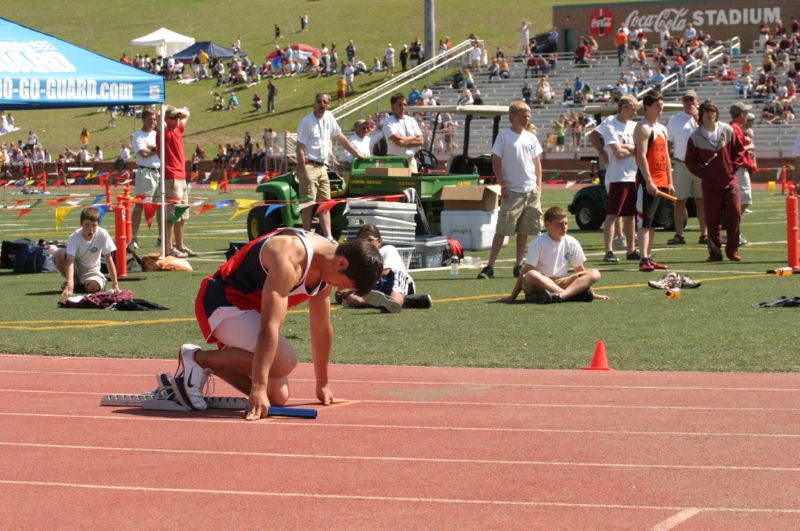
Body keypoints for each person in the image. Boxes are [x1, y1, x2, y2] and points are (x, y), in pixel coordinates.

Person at [169, 229, 383, 418]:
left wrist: (323, 384)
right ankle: (196, 358)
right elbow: (269, 326)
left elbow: (321, 329)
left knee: (277, 397)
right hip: (221, 302)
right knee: (284, 362)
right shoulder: (289, 257)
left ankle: (209, 363)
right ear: (342, 263)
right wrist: (257, 387)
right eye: (343, 283)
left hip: (251, 311)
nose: (338, 288)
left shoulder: (327, 269)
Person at [477, 100, 543, 280]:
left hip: (530, 191)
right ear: (513, 116)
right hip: (512, 191)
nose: (526, 119)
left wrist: (539, 187)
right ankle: (489, 266)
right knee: (503, 229)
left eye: (528, 116)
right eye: (523, 115)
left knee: (524, 230)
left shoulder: (531, 137)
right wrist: (503, 184)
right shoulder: (504, 136)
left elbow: (537, 164)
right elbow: (496, 161)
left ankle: (518, 264)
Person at [495, 207, 608, 304]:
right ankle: (567, 295)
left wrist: (592, 293)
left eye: (566, 223)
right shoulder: (538, 243)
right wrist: (512, 296)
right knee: (532, 274)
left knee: (594, 273)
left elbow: (580, 270)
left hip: (561, 281)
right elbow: (526, 271)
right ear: (547, 225)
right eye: (560, 224)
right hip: (540, 283)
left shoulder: (572, 242)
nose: (564, 227)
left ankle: (560, 296)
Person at [296, 93, 363, 240]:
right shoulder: (306, 121)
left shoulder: (330, 117)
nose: (322, 104)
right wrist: (302, 170)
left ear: (329, 104)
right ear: (315, 103)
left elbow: (340, 137)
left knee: (325, 203)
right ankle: (307, 236)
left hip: (323, 167)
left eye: (325, 102)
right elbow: (299, 147)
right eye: (319, 101)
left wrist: (356, 153)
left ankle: (329, 236)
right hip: (309, 165)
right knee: (308, 203)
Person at [685, 100, 745, 262]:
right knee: (712, 219)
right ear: (701, 115)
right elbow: (690, 161)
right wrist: (704, 173)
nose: (711, 114)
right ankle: (715, 252)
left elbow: (739, 151)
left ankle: (733, 250)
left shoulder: (727, 130)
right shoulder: (695, 137)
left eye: (714, 111)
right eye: (708, 111)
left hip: (730, 181)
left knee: (735, 214)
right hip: (710, 185)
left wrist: (732, 167)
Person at [335, 224, 432, 312]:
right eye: (362, 241)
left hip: (393, 278)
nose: (366, 244)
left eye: (370, 240)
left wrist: (358, 285)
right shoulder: (359, 260)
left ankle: (395, 302)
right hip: (374, 286)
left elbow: (386, 272)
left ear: (379, 242)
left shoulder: (387, 249)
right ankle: (391, 303)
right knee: (351, 299)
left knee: (395, 293)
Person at [596, 95, 640, 263]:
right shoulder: (611, 124)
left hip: (633, 174)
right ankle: (608, 251)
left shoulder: (635, 126)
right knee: (613, 214)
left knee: (630, 215)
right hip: (618, 176)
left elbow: (641, 149)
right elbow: (618, 153)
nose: (635, 111)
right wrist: (632, 149)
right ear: (624, 107)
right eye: (633, 108)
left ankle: (631, 249)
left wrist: (628, 148)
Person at [633, 92, 673, 272]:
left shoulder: (663, 129)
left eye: (662, 104)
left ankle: (649, 256)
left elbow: (667, 156)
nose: (661, 107)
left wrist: (670, 180)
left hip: (662, 180)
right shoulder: (642, 127)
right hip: (648, 181)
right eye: (657, 104)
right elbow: (641, 156)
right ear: (647, 106)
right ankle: (643, 258)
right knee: (644, 221)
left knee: (654, 222)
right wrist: (648, 181)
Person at [666, 89, 707, 245]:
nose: (689, 103)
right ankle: (679, 234)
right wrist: (668, 162)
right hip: (681, 164)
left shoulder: (703, 119)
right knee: (680, 201)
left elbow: (709, 136)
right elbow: (668, 143)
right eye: (686, 100)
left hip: (699, 165)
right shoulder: (675, 119)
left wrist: (697, 116)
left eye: (692, 99)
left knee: (701, 200)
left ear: (697, 101)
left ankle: (704, 234)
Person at [54, 207, 119, 297]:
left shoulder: (103, 234)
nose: (91, 229)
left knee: (93, 287)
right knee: (59, 254)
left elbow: (109, 259)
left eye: (94, 225)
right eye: (87, 225)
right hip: (77, 268)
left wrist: (115, 283)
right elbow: (70, 261)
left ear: (98, 225)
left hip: (92, 270)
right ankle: (74, 282)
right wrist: (70, 282)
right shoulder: (74, 237)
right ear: (81, 224)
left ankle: (85, 284)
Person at [160, 105, 196, 258]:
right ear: (166, 119)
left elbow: (188, 113)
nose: (177, 119)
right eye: (173, 117)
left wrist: (178, 112)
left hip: (181, 176)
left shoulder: (177, 129)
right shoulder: (164, 132)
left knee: (182, 215)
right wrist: (164, 108)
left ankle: (180, 245)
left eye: (177, 117)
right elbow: (160, 119)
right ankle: (168, 248)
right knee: (171, 215)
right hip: (172, 176)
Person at [130, 108, 161, 248]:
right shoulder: (138, 135)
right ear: (143, 119)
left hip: (159, 172)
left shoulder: (157, 134)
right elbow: (143, 153)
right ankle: (134, 237)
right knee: (141, 205)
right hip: (145, 172)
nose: (152, 122)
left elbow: (164, 150)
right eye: (150, 119)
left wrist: (153, 148)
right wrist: (156, 148)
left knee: (160, 206)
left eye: (154, 119)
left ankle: (162, 236)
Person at [729, 102, 756, 238]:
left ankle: (733, 230)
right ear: (741, 115)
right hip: (739, 168)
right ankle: (732, 230)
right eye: (745, 113)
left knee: (743, 200)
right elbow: (735, 151)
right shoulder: (734, 128)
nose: (747, 116)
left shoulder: (736, 128)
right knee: (744, 200)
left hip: (740, 167)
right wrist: (749, 146)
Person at [382, 93, 424, 173]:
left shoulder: (411, 120)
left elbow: (421, 141)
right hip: (395, 161)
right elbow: (398, 142)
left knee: (413, 185)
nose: (403, 107)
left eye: (405, 105)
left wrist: (404, 141)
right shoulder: (388, 122)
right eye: (400, 105)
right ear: (393, 106)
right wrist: (414, 137)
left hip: (411, 160)